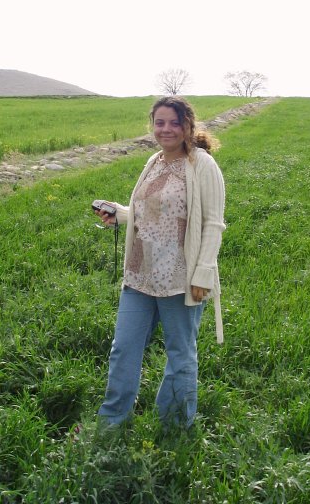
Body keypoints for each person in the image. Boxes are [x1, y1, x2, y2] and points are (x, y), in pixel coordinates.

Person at [94, 96, 225, 430]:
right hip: (140, 275)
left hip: (181, 279)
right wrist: (120, 214)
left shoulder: (202, 165)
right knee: (123, 350)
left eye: (174, 122)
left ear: (187, 125)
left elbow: (213, 223)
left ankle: (175, 426)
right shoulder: (153, 161)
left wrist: (204, 273)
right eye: (160, 122)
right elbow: (146, 211)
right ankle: (112, 422)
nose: (166, 129)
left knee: (180, 356)